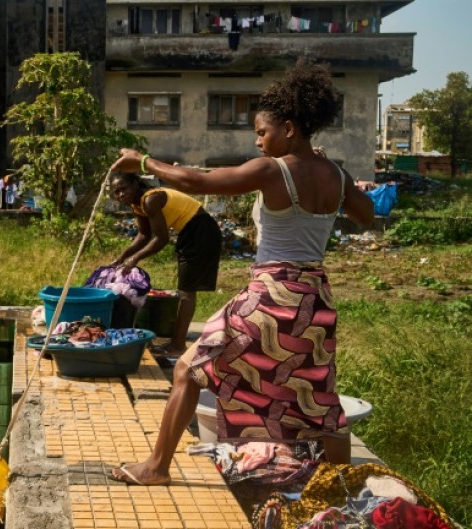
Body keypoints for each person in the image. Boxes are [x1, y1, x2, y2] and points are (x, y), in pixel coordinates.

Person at [107, 59, 374, 486]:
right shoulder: (335, 174)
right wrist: (336, 175)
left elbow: (195, 180)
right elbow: (367, 213)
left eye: (262, 132)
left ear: (289, 127)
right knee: (321, 399)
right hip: (315, 300)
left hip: (271, 293)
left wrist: (144, 161)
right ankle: (340, 491)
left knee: (189, 370)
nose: (258, 141)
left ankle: (155, 468)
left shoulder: (273, 169)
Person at [108, 173, 222, 354]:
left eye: (123, 188)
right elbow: (144, 235)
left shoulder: (150, 199)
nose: (120, 194)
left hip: (201, 230)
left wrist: (135, 258)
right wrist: (121, 258)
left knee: (186, 292)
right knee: (185, 290)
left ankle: (178, 344)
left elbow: (161, 239)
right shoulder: (137, 205)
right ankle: (177, 342)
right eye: (116, 192)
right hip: (190, 231)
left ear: (135, 183)